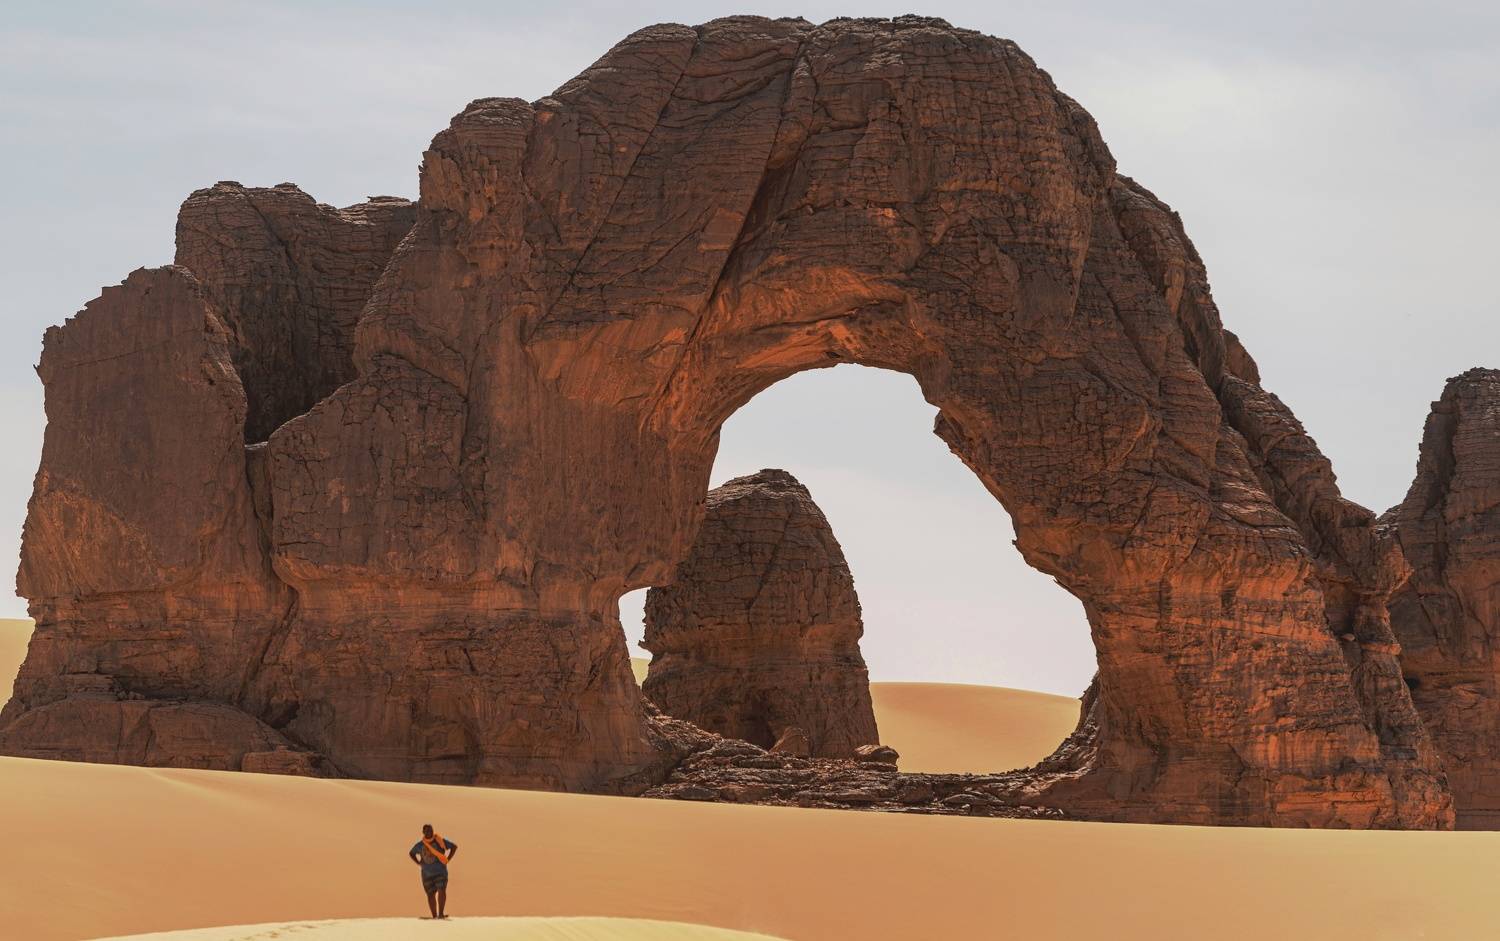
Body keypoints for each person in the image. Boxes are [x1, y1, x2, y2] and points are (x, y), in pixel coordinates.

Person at [408, 823, 459, 919]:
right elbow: (411, 853)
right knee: (430, 894)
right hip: (426, 874)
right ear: (423, 832)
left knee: (441, 890)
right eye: (427, 831)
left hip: (440, 872)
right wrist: (418, 862)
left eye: (431, 830)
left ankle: (441, 914)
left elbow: (454, 847)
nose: (430, 832)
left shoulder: (440, 841)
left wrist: (447, 859)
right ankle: (435, 916)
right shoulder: (420, 845)